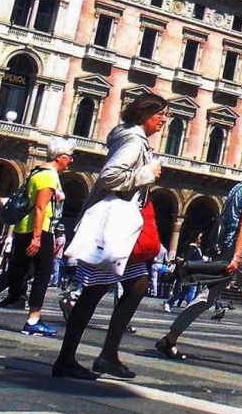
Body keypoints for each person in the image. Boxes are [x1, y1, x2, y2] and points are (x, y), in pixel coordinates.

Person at [53, 93, 168, 381]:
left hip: (121, 229)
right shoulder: (133, 141)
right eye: (160, 114)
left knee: (138, 285)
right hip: (113, 228)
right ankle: (67, 359)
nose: (163, 120)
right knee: (94, 292)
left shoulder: (132, 138)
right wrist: (147, 173)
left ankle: (108, 355)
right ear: (144, 114)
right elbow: (110, 177)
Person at [156, 152, 242, 369]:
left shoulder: (238, 188)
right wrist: (238, 256)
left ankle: (170, 338)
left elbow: (236, 224)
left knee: (207, 297)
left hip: (228, 248)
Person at [0, 138, 75, 335]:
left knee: (16, 273)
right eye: (69, 156)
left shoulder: (37, 171)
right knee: (43, 273)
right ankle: (33, 320)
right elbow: (40, 208)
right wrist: (37, 237)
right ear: (59, 156)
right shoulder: (48, 176)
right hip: (39, 230)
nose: (71, 160)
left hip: (24, 229)